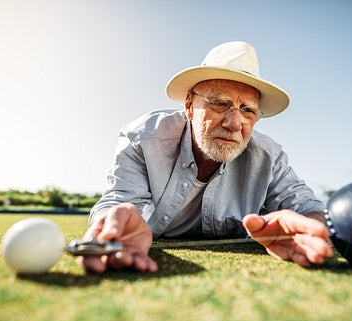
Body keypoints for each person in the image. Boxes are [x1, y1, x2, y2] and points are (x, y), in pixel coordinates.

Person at [78, 41, 333, 274]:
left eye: (247, 110)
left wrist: (309, 229)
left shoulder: (269, 157)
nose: (235, 123)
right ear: (189, 105)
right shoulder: (143, 139)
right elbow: (117, 203)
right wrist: (110, 226)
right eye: (220, 104)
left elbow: (308, 208)